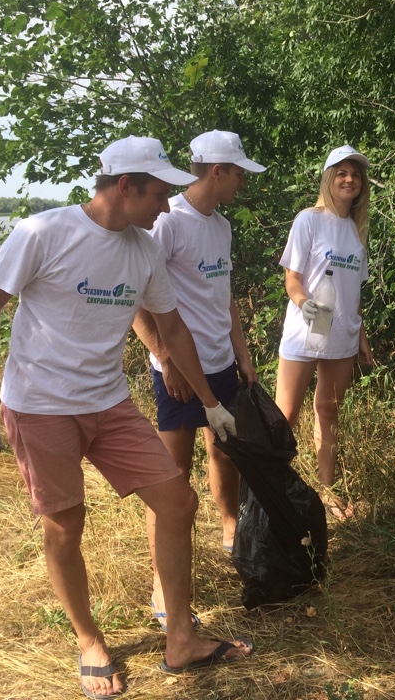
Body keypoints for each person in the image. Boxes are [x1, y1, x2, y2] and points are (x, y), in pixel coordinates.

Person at [0, 136, 254, 700]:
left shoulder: (144, 248)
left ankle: (181, 638)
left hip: (109, 402)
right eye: (159, 193)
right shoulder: (43, 232)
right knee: (65, 525)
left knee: (177, 501)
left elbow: (172, 329)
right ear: (125, 186)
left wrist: (211, 405)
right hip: (41, 406)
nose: (167, 205)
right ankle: (89, 640)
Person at [131, 131, 264, 625]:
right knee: (171, 479)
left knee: (224, 451)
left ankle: (231, 534)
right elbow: (139, 299)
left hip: (220, 363)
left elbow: (223, 293)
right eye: (239, 173)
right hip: (179, 374)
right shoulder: (168, 223)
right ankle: (163, 590)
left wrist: (242, 350)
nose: (243, 183)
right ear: (216, 171)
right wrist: (165, 358)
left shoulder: (222, 226)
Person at [274, 145, 374, 520]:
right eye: (341, 173)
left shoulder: (356, 230)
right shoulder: (309, 220)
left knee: (328, 411)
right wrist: (305, 304)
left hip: (343, 336)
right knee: (286, 414)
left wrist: (361, 335)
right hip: (306, 330)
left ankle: (328, 492)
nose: (349, 179)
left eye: (356, 174)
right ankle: (274, 491)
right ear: (328, 179)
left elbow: (354, 293)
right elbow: (293, 280)